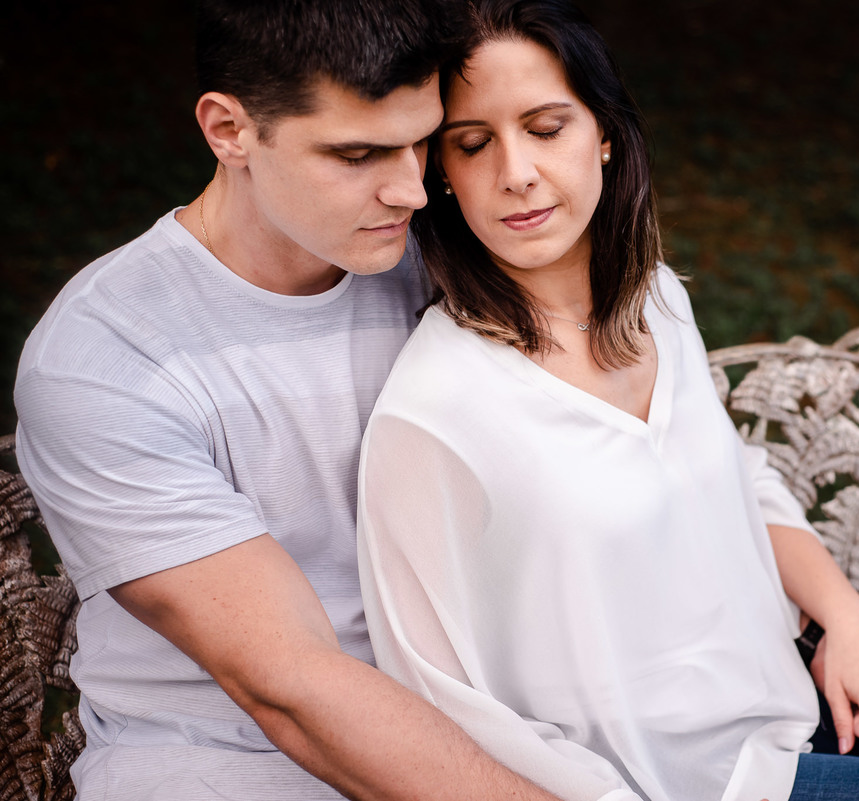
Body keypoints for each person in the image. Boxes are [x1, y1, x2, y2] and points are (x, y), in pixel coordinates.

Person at [355, 2, 859, 800]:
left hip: (792, 699)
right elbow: (436, 694)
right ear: (441, 173)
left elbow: (739, 480)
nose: (516, 171)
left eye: (546, 127)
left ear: (605, 134)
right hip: (695, 782)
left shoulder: (655, 300)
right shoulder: (437, 409)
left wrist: (849, 624)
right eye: (473, 144)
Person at [12, 2, 567, 798]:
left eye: (422, 141)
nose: (412, 190)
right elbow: (291, 685)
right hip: (230, 765)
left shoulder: (448, 261)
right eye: (357, 154)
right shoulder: (106, 357)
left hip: (501, 728)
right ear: (229, 131)